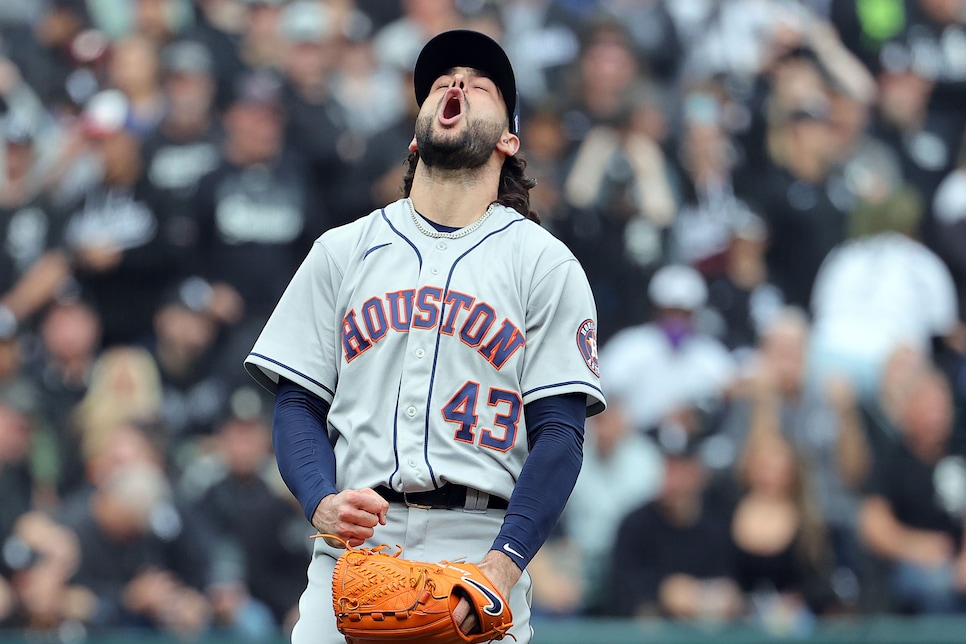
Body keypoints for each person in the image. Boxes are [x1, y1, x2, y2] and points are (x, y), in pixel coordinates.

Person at [243, 29, 605, 643]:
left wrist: (503, 564)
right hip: (356, 548)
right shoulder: (343, 250)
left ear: (509, 141)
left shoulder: (543, 263)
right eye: (441, 82)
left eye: (479, 85)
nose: (456, 85)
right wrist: (319, 501)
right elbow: (298, 402)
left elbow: (561, 434)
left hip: (479, 547)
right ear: (416, 133)